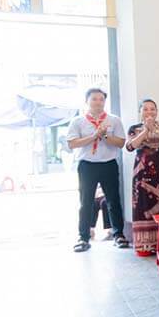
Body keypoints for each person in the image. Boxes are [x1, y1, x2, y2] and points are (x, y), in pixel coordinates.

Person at [67, 88, 128, 252]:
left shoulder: (113, 120)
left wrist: (105, 135)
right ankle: (83, 237)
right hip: (87, 164)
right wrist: (94, 136)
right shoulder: (78, 121)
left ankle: (118, 235)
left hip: (108, 163)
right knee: (86, 201)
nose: (98, 102)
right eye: (94, 99)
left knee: (113, 200)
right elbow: (72, 143)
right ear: (87, 101)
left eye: (101, 99)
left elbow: (121, 143)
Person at [125, 99, 159, 255]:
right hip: (143, 171)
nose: (149, 112)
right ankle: (145, 245)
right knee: (143, 203)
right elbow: (130, 146)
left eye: (152, 109)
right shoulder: (134, 128)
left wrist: (157, 131)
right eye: (146, 109)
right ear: (140, 111)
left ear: (157, 111)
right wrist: (145, 130)